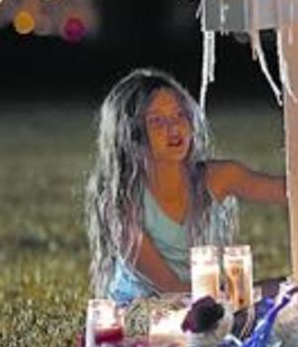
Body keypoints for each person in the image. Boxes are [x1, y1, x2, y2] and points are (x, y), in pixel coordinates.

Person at [84, 68, 287, 303]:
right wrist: (268, 290)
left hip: (207, 301)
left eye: (179, 115)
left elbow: (289, 191)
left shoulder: (220, 177)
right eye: (157, 121)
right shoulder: (122, 202)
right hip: (144, 311)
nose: (174, 129)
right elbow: (171, 288)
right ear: (132, 134)